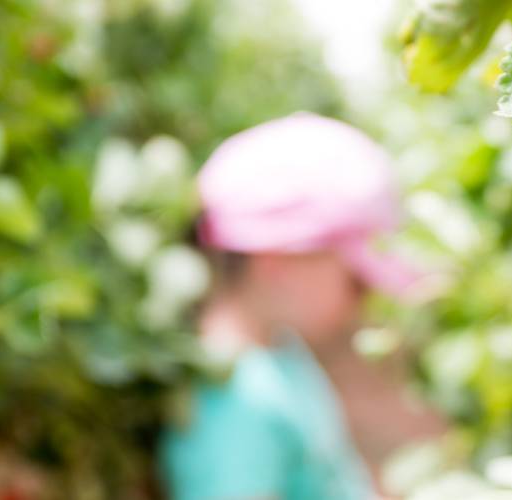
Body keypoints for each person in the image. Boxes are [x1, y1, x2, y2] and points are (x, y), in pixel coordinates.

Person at [160, 113, 424, 500]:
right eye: (356, 280)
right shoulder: (232, 405)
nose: (366, 298)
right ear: (278, 262)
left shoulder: (281, 351)